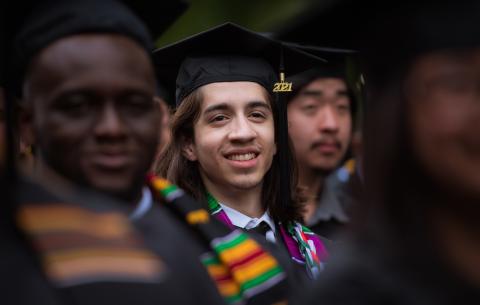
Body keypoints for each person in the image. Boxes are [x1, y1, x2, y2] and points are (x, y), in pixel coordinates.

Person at [6, 1, 226, 304]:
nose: (112, 128)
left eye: (134, 104)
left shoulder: (230, 255)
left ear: (160, 116)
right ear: (27, 122)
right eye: (77, 106)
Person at [280, 1, 480, 304]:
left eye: (342, 107)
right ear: (392, 115)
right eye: (457, 83)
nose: (330, 125)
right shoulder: (354, 294)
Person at [155, 22, 329, 280]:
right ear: (188, 144)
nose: (243, 132)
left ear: (277, 137)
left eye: (257, 115)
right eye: (219, 118)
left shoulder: (320, 254)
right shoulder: (170, 254)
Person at [285, 45, 360, 241]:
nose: (331, 124)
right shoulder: (246, 221)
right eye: (311, 107)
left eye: (342, 108)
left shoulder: (364, 218)